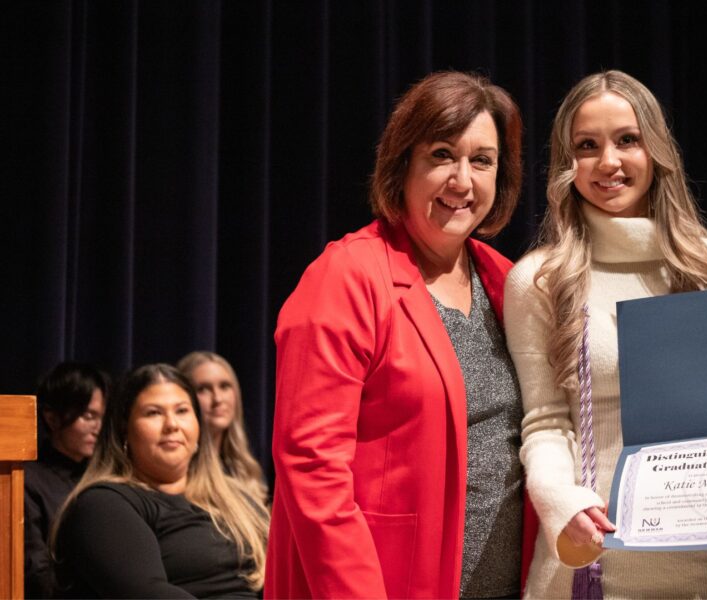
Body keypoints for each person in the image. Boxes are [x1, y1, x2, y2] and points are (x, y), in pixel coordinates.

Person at [503, 69, 707, 599]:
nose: (608, 162)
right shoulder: (539, 280)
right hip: (589, 563)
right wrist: (563, 502)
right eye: (587, 145)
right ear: (566, 164)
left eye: (627, 140)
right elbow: (544, 422)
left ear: (655, 149)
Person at [267, 71, 531, 599]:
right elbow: (313, 467)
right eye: (441, 155)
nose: (463, 180)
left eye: (482, 161)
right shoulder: (345, 277)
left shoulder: (509, 282)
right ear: (403, 164)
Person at [50, 364, 269, 598]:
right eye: (153, 413)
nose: (172, 425)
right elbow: (149, 593)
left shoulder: (236, 498)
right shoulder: (102, 505)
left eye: (182, 411)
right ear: (124, 429)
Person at [24, 362, 108, 599]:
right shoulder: (28, 480)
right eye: (88, 416)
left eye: (101, 417)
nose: (98, 428)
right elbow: (36, 571)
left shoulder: (102, 475)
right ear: (52, 418)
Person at [176, 351, 268, 504]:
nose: (217, 399)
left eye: (224, 386)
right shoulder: (177, 473)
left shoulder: (246, 469)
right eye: (203, 389)